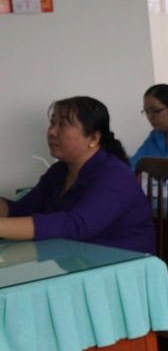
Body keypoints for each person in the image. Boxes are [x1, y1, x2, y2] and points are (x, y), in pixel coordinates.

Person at [0, 97, 156, 254]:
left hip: (121, 268)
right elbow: (21, 210)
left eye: (62, 125)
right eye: (52, 123)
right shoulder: (59, 171)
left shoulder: (115, 175)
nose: (52, 132)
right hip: (77, 262)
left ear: (93, 138)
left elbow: (75, 225)